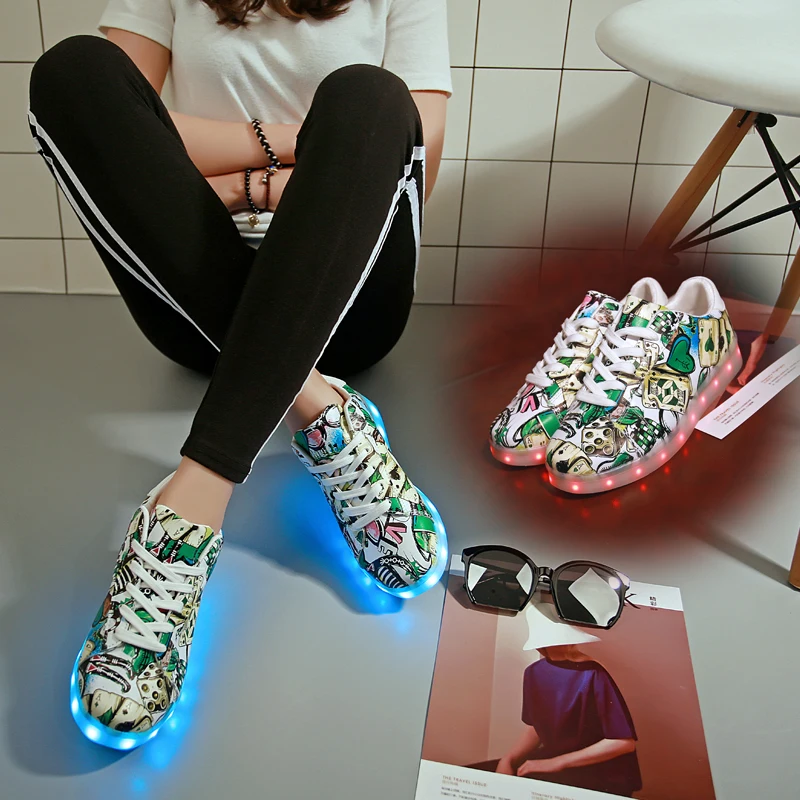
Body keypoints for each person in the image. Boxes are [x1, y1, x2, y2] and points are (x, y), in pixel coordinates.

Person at [27, 0, 451, 749]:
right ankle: (320, 409)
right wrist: (298, 156)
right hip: (192, 299)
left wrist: (298, 151)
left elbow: (409, 157)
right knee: (73, 73)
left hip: (349, 300)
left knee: (369, 99)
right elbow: (129, 134)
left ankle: (194, 500)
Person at [496, 604, 642, 798]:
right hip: (558, 765)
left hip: (603, 774)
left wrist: (555, 763)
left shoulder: (593, 674)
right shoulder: (533, 673)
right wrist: (508, 759)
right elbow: (537, 727)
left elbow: (623, 742)